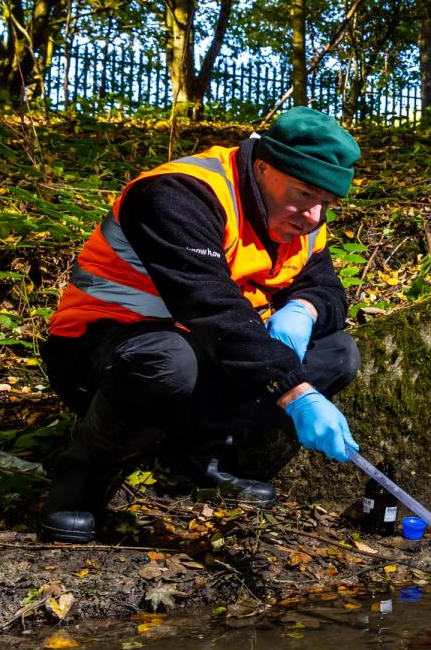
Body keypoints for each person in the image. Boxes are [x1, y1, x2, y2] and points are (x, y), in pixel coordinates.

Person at [38, 106, 362, 544]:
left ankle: (198, 454)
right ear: (263, 167)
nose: (314, 216)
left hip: (209, 349)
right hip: (103, 350)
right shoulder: (177, 194)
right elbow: (209, 306)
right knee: (169, 362)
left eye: (328, 203)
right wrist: (295, 390)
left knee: (337, 353)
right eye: (305, 194)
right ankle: (83, 474)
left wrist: (304, 308)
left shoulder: (303, 220)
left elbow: (328, 290)